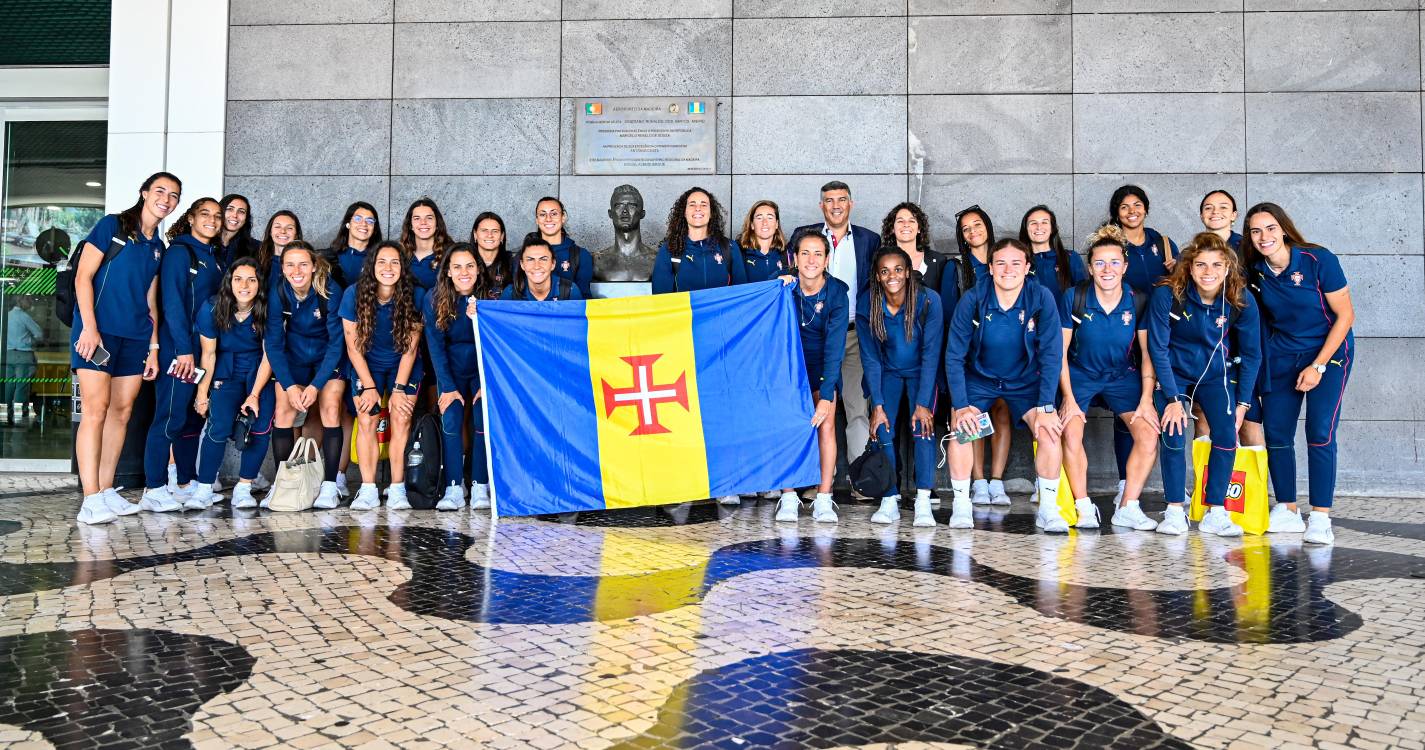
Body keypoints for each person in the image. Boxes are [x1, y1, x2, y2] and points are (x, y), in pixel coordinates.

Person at [71, 171, 179, 524]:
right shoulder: (112, 226)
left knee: (121, 412)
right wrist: (88, 327)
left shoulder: (158, 248)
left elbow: (150, 301)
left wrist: (154, 347)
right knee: (96, 410)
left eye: (173, 195)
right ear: (144, 192)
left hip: (134, 338)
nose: (166, 198)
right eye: (160, 190)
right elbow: (82, 276)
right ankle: (89, 499)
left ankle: (105, 490)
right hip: (97, 334)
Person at [1246, 203, 1354, 545]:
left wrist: (1318, 365)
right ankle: (1288, 509)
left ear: (1284, 228)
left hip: (1329, 352)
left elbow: (1345, 316)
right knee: (1277, 431)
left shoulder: (1318, 260)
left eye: (1270, 228)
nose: (1264, 237)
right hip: (1282, 355)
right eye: (1255, 231)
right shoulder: (1255, 272)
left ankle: (1320, 516)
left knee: (1320, 430)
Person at [944, 239, 1065, 532]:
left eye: (1015, 263)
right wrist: (961, 406)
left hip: (1025, 382)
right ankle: (962, 506)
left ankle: (1049, 510)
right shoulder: (973, 299)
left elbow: (1052, 353)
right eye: (1000, 263)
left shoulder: (1041, 297)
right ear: (990, 267)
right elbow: (954, 355)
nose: (1007, 269)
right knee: (962, 429)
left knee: (1049, 431)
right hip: (980, 380)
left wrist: (1047, 405)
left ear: (1027, 267)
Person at [1146, 232, 1262, 537]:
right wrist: (1172, 398)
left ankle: (1216, 511)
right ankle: (1174, 511)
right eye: (1200, 265)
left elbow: (1252, 354)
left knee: (1225, 434)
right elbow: (1157, 348)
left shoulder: (1240, 299)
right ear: (1189, 267)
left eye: (1215, 265)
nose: (1208, 272)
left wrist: (1243, 404)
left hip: (1215, 375)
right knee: (1173, 431)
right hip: (1175, 374)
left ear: (1227, 269)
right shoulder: (1168, 294)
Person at [1056, 225, 1160, 531]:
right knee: (1070, 432)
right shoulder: (1074, 296)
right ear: (1089, 267)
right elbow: (1058, 354)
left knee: (1148, 433)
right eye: (1100, 263)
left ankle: (1128, 506)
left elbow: (1147, 353)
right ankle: (1083, 506)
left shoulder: (1138, 299)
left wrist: (1146, 399)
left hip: (1121, 376)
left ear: (1125, 266)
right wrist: (1069, 400)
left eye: (1115, 262)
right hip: (1080, 374)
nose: (1107, 269)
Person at [141, 197, 227, 512]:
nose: (213, 220)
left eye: (218, 216)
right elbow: (172, 304)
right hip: (181, 352)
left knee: (191, 418)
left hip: (202, 352)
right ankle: (154, 488)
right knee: (170, 417)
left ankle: (184, 483)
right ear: (191, 218)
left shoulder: (214, 256)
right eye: (205, 214)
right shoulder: (180, 252)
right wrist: (182, 351)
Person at [793, 182, 880, 481]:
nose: (835, 205)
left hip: (854, 334)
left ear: (851, 204)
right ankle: (810, 480)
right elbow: (789, 275)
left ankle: (859, 480)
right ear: (821, 206)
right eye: (829, 200)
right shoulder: (806, 238)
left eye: (841, 199)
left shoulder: (870, 239)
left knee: (856, 407)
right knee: (813, 411)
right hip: (814, 335)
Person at [859, 247, 944, 527]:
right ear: (877, 276)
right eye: (885, 271)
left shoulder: (928, 301)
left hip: (921, 372)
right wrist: (878, 405)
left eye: (898, 269)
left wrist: (922, 404)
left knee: (923, 428)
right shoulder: (867, 304)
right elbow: (870, 358)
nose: (892, 275)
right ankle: (889, 497)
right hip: (888, 372)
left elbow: (932, 354)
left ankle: (922, 501)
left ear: (908, 272)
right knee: (883, 428)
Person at [341, 241, 424, 510]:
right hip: (367, 364)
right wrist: (368, 386)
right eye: (382, 262)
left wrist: (399, 389)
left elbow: (410, 350)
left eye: (395, 262)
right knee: (367, 419)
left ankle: (397, 488)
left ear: (403, 267)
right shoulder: (354, 294)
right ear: (372, 266)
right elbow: (353, 349)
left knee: (401, 418)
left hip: (403, 366)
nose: (388, 268)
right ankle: (368, 489)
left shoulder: (414, 295)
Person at [264, 241, 347, 510]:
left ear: (313, 266)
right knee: (284, 411)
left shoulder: (330, 290)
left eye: (303, 264)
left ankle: (330, 486)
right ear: (283, 268)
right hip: (295, 356)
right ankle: (283, 482)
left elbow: (337, 343)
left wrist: (315, 386)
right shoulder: (278, 292)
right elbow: (274, 344)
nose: (296, 270)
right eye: (290, 264)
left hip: (327, 357)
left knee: (330, 409)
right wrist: (289, 386)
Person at [774, 232, 848, 524]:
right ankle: (789, 496)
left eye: (818, 253)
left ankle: (824, 498)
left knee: (826, 425)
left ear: (827, 259)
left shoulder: (837, 292)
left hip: (822, 368)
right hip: (789, 370)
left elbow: (835, 348)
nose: (811, 260)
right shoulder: (783, 286)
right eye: (805, 253)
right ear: (795, 258)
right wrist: (775, 284)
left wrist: (827, 395)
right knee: (789, 430)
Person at [191, 259, 276, 510]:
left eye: (251, 279)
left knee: (260, 428)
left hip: (259, 371)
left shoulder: (268, 309)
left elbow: (270, 354)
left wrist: (254, 394)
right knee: (218, 426)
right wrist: (201, 393)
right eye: (238, 279)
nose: (245, 285)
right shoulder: (212, 307)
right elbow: (208, 354)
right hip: (224, 372)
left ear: (259, 284)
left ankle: (243, 488)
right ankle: (204, 488)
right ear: (229, 282)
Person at [425, 243, 490, 511]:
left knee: (482, 417)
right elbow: (435, 346)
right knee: (450, 416)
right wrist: (448, 387)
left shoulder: (490, 298)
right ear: (448, 272)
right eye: (457, 267)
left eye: (470, 266)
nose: (464, 272)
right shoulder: (434, 298)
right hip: (450, 369)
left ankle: (479, 485)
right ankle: (453, 486)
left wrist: (487, 383)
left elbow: (496, 342)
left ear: (478, 269)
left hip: (481, 371)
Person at [955, 205, 1011, 506]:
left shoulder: (1004, 261)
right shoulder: (957, 269)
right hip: (971, 354)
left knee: (1002, 412)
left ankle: (997, 481)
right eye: (966, 229)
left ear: (987, 226)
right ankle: (977, 481)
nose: (973, 231)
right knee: (973, 416)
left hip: (1006, 353)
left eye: (977, 224)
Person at [652, 187, 746, 295]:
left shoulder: (730, 248)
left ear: (711, 213)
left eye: (704, 204)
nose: (698, 208)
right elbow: (661, 300)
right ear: (684, 212)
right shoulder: (669, 249)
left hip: (721, 312)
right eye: (692, 204)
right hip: (687, 312)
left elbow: (742, 295)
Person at [881, 201, 958, 306]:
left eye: (912, 221)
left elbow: (945, 303)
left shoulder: (939, 261)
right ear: (892, 229)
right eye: (900, 221)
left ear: (919, 229)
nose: (906, 225)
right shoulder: (880, 261)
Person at [1109, 185, 1178, 294]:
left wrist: (1178, 269)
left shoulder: (1164, 243)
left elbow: (1182, 283)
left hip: (1162, 310)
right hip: (1126, 310)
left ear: (1145, 210)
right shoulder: (1109, 247)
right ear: (1117, 214)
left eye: (1137, 205)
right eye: (1124, 207)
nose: (1132, 211)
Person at [1019, 205, 1087, 305]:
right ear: (1026, 229)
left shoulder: (1070, 257)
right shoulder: (1018, 261)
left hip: (1065, 320)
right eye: (1033, 223)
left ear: (1052, 228)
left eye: (1044, 222)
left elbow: (1083, 296)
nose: (1039, 227)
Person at [533, 196, 594, 298]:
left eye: (554, 214)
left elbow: (584, 299)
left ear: (563, 217)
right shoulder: (524, 255)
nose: (548, 219)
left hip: (567, 312)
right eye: (543, 214)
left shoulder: (581, 255)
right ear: (537, 220)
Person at [501, 236, 584, 301]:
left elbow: (579, 321)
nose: (537, 266)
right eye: (530, 259)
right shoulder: (511, 294)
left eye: (543, 259)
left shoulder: (570, 291)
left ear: (553, 264)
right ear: (522, 264)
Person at [400, 198, 454, 291]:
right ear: (410, 225)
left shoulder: (451, 253)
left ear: (437, 223)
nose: (423, 222)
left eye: (429, 218)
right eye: (417, 218)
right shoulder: (399, 253)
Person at [4, 298, 42, 422]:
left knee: (8, 384)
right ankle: (19, 412)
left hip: (7, 354)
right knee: (22, 385)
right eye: (28, 300)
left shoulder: (7, 316)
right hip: (22, 354)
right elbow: (39, 333)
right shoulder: (23, 316)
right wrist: (30, 340)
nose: (30, 303)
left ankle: (6, 411)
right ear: (19, 301)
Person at [330, 201, 382, 289]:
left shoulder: (381, 259)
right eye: (358, 219)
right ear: (348, 224)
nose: (364, 224)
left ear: (375, 228)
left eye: (369, 221)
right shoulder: (328, 257)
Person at [737, 200, 787, 282]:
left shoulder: (787, 254)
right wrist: (775, 279)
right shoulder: (737, 252)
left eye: (770, 217)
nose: (765, 223)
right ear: (752, 224)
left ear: (777, 224)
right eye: (759, 218)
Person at [471, 211, 512, 301]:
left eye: (495, 231)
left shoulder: (512, 263)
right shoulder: (464, 262)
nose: (490, 235)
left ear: (502, 236)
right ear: (475, 234)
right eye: (484, 230)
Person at [257, 210, 301, 286]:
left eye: (289, 228)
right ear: (270, 232)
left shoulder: (306, 263)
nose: (283, 231)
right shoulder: (257, 260)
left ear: (296, 234)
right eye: (277, 227)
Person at [218, 193, 257, 269]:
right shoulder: (205, 243)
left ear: (246, 218)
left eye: (241, 211)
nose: (235, 215)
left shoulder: (255, 247)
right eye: (230, 209)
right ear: (219, 212)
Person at [1200, 190, 1242, 258]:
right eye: (1208, 208)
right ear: (1201, 216)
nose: (1215, 212)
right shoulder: (1189, 252)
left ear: (1233, 215)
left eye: (1223, 207)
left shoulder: (1248, 249)